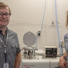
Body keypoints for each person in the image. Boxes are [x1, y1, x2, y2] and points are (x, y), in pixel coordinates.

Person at [0, 2, 21, 68]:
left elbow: (18, 53)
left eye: (6, 14)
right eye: (0, 14)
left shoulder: (14, 35)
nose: (3, 17)